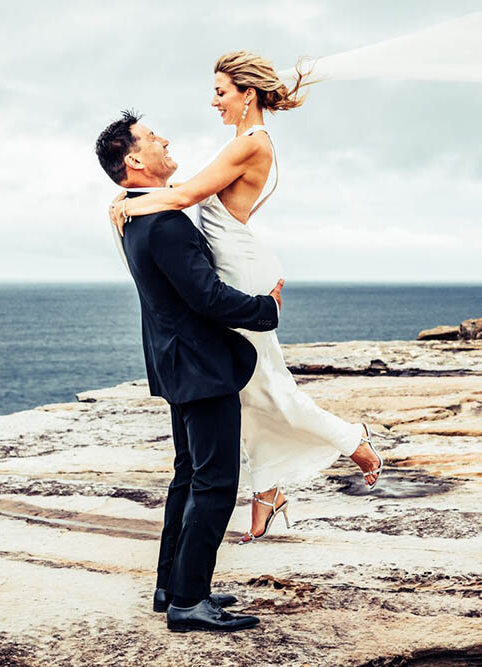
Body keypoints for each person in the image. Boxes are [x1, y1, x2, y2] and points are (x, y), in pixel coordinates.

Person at [109, 51, 384, 544]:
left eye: (220, 91)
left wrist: (126, 203)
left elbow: (184, 196)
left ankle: (353, 440)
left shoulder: (251, 143)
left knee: (267, 385)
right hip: (233, 264)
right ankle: (269, 491)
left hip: (241, 270)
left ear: (246, 94)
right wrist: (131, 202)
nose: (213, 100)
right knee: (245, 386)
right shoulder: (241, 140)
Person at [95, 110, 284, 632]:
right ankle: (189, 601)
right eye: (153, 138)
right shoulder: (162, 221)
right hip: (200, 366)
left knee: (190, 474)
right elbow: (207, 298)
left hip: (177, 362)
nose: (164, 141)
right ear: (134, 159)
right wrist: (265, 308)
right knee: (216, 482)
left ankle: (171, 587)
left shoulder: (135, 213)